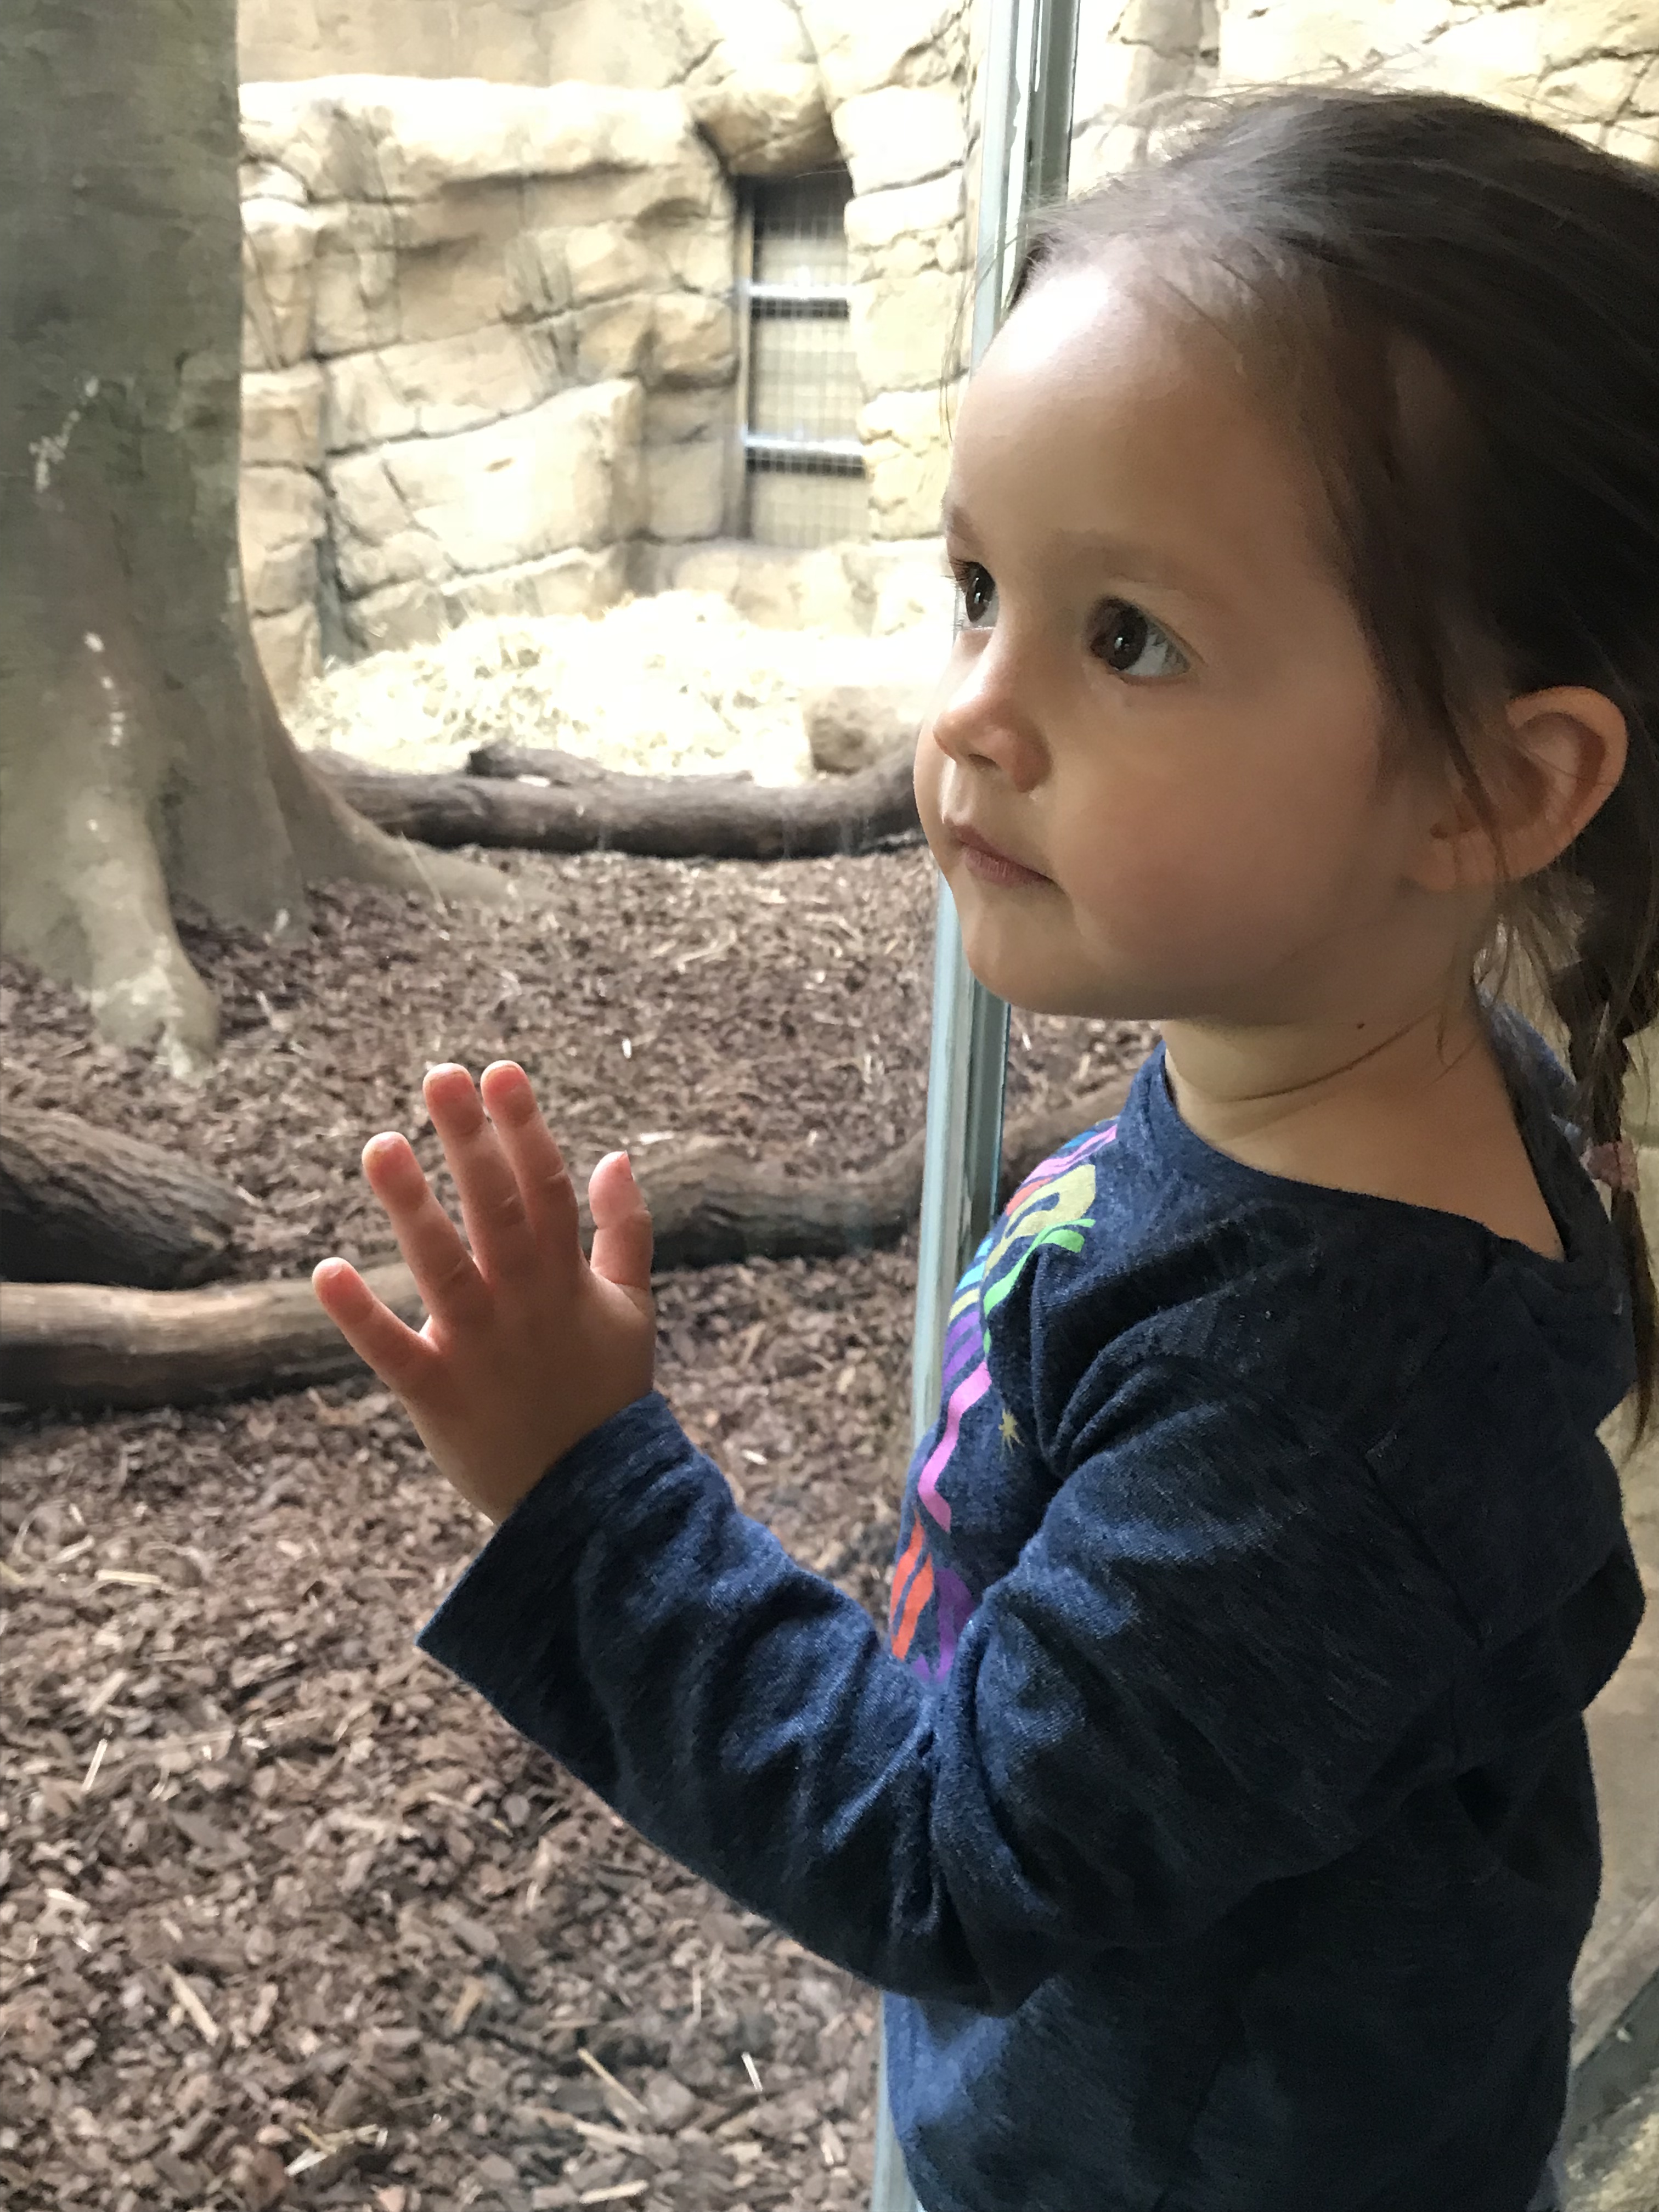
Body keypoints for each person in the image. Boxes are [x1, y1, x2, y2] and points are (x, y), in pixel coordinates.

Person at [311, 84, 1658, 2212]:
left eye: (1128, 638)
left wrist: (586, 1496)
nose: (969, 714)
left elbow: (948, 1860)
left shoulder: (1332, 1406)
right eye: (974, 589)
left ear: (1492, 793)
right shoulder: (1351, 1069)